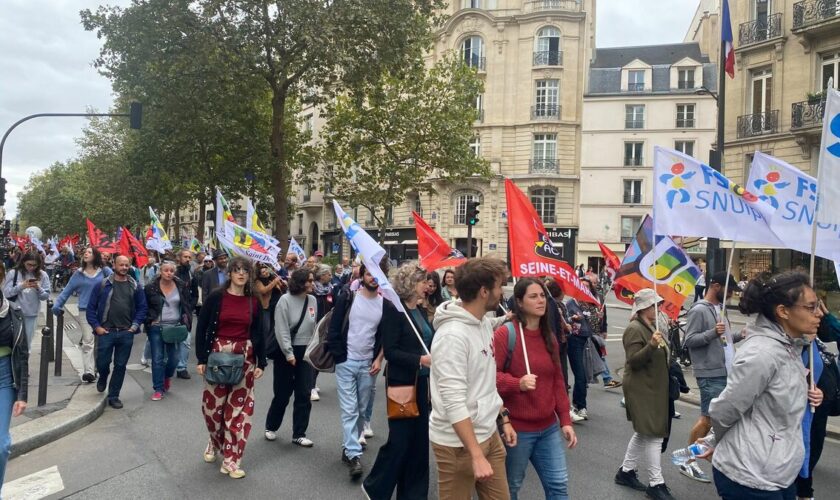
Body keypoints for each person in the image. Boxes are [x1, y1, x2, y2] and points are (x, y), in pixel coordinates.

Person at [698, 272, 823, 499]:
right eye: (811, 307)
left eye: (819, 305)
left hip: (779, 471)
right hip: (750, 476)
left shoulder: (791, 346)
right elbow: (726, 409)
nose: (819, 314)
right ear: (783, 311)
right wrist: (715, 440)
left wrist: (809, 393)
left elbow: (774, 396)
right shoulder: (762, 354)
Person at [429, 257, 516, 500]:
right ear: (484, 291)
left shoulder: (481, 322)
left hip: (489, 434)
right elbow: (453, 401)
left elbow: (484, 384)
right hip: (457, 445)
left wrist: (502, 418)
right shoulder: (452, 337)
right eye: (500, 286)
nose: (502, 292)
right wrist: (476, 454)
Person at [494, 278, 577, 499]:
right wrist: (517, 383)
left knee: (558, 485)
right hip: (517, 429)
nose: (541, 300)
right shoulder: (505, 334)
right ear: (519, 302)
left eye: (542, 295)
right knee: (510, 487)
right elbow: (489, 379)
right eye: (533, 296)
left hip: (548, 427)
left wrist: (565, 420)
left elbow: (557, 381)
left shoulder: (549, 336)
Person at [363, 262, 434, 499]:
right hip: (402, 383)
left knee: (419, 443)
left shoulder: (423, 310)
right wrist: (420, 360)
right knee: (401, 442)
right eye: (423, 281)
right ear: (411, 283)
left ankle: (413, 494)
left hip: (423, 385)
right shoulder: (394, 309)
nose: (428, 285)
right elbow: (391, 351)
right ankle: (376, 487)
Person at [195, 256, 265, 479]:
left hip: (244, 358)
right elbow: (203, 327)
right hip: (217, 356)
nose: (241, 274)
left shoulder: (254, 301)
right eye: (237, 270)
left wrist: (261, 362)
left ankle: (231, 460)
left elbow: (260, 332)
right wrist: (201, 359)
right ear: (230, 273)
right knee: (212, 411)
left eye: (246, 270)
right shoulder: (217, 297)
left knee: (238, 413)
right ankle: (214, 441)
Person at [679, 271, 741, 482]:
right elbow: (690, 340)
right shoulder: (699, 310)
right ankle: (687, 461)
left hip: (724, 372)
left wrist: (740, 335)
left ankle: (706, 455)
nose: (732, 294)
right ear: (715, 286)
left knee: (715, 418)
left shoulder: (719, 309)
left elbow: (723, 339)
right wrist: (713, 332)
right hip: (710, 373)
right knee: (707, 418)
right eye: (729, 289)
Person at [614, 289, 675, 500]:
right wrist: (651, 345)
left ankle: (626, 471)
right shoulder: (634, 329)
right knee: (654, 434)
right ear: (643, 307)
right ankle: (656, 483)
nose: (658, 308)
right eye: (654, 305)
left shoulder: (651, 326)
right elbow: (634, 361)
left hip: (654, 387)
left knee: (644, 431)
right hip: (642, 388)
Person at [327, 262, 387, 480]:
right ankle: (353, 454)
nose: (372, 278)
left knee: (362, 410)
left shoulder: (384, 304)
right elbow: (334, 329)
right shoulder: (348, 297)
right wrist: (339, 357)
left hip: (368, 364)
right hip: (346, 362)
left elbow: (384, 338)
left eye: (376, 274)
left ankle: (348, 447)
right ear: (362, 275)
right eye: (369, 274)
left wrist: (379, 359)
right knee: (350, 409)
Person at [86, 255, 148, 409]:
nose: (124, 268)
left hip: (126, 333)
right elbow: (90, 309)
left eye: (127, 265)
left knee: (120, 366)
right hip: (106, 332)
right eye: (121, 265)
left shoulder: (135, 285)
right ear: (114, 265)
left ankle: (114, 396)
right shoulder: (102, 285)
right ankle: (102, 377)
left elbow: (142, 308)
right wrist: (97, 327)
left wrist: (134, 326)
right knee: (103, 363)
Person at [265, 268, 317, 447]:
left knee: (304, 393)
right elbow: (281, 329)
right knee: (282, 393)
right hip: (285, 351)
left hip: (306, 351)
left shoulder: (313, 300)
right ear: (298, 282)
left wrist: (313, 350)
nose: (311, 283)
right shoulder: (284, 300)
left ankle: (299, 433)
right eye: (307, 281)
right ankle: (271, 426)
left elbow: (314, 327)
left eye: (312, 280)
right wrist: (288, 353)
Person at [795, 300, 840, 500]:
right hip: (795, 418)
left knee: (810, 452)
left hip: (817, 409)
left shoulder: (814, 339)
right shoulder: (788, 343)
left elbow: (832, 333)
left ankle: (804, 490)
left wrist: (820, 393)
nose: (818, 315)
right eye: (812, 307)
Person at [53, 247, 113, 382]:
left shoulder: (105, 271)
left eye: (90, 252)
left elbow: (116, 286)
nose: (86, 253)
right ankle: (89, 372)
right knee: (88, 341)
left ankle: (98, 368)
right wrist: (57, 306)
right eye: (85, 251)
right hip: (85, 311)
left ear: (96, 255)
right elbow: (66, 291)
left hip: (104, 311)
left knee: (101, 343)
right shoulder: (78, 274)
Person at [143, 260, 192, 401]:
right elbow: (143, 305)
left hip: (174, 327)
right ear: (160, 271)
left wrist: (186, 320)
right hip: (156, 327)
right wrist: (149, 320)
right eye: (166, 270)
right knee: (157, 359)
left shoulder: (181, 286)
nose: (169, 273)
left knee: (174, 359)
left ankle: (167, 376)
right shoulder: (151, 287)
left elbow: (187, 305)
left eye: (172, 270)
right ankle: (158, 389)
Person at [0, 295, 29, 494]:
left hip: (5, 377)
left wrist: (22, 394)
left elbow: (22, 353)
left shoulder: (14, 312)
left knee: (1, 446)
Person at [2, 251, 50, 350]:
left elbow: (45, 296)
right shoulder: (13, 273)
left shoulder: (43, 275)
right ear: (23, 262)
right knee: (12, 344)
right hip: (13, 314)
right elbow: (6, 293)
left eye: (34, 265)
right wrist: (21, 286)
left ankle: (24, 364)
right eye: (29, 264)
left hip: (31, 314)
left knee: (26, 345)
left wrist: (38, 288)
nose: (31, 267)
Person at [564, 287, 597, 420]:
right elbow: (565, 320)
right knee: (580, 375)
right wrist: (572, 318)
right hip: (574, 341)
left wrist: (597, 317)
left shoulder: (588, 304)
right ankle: (580, 405)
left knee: (586, 374)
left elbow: (595, 324)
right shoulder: (570, 303)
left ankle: (578, 403)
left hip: (587, 341)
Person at [174, 249, 199, 379]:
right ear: (179, 258)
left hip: (186, 313)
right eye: (185, 256)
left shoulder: (191, 274)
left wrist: (191, 306)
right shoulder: (172, 272)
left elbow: (195, 293)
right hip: (172, 312)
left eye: (190, 257)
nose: (188, 259)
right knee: (172, 340)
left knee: (186, 341)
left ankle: (182, 367)